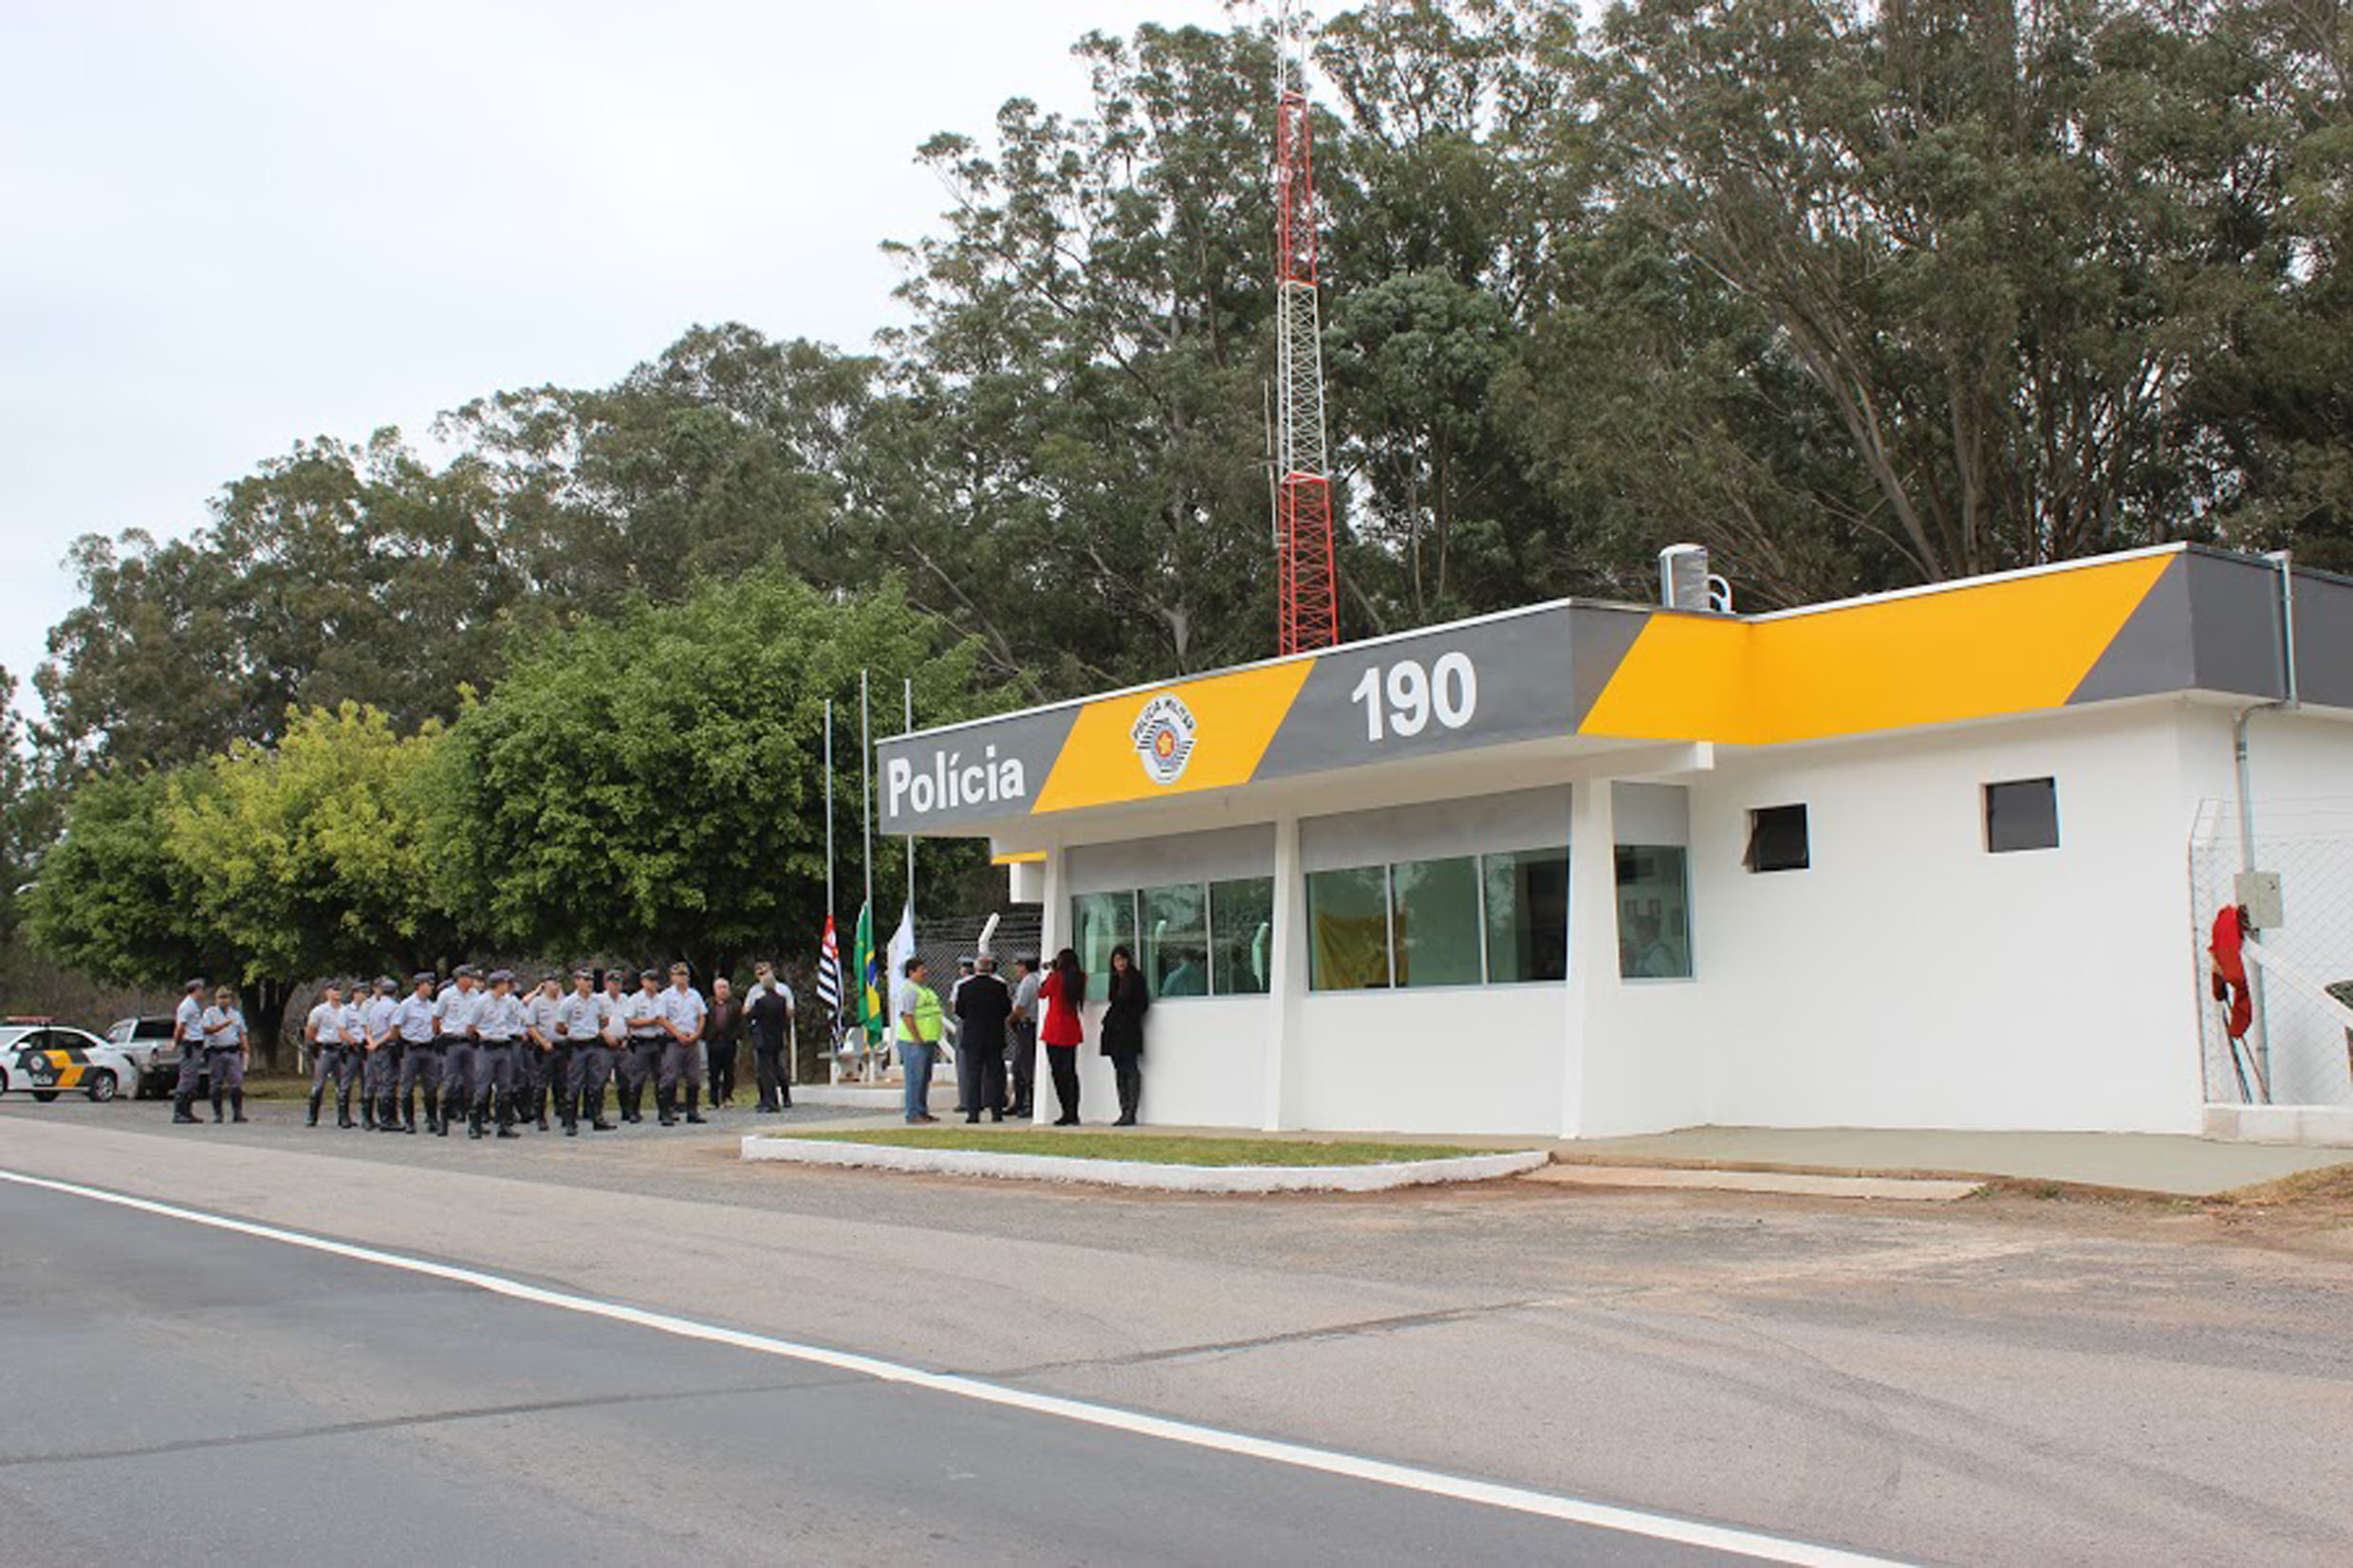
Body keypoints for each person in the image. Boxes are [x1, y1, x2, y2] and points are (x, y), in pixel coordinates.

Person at [953, 954, 1013, 1123]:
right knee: (995, 1074)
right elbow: (1006, 1009)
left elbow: (959, 1010)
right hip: (994, 1036)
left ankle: (973, 1113)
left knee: (973, 1075)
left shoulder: (965, 987)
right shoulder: (999, 987)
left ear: (976, 968)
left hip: (973, 1036)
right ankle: (996, 1112)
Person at [470, 969, 528, 1139]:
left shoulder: (508, 1001)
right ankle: (475, 1124)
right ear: (498, 984)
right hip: (487, 1045)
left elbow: (518, 1018)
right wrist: (478, 1038)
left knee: (505, 1087)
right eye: (506, 983)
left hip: (504, 1045)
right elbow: (471, 1025)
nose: (508, 987)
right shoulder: (482, 1002)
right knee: (482, 1087)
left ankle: (503, 1124)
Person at [1102, 944, 1151, 1126]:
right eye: (1116, 960)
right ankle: (1123, 1109)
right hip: (1114, 1030)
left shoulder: (1135, 978)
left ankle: (1131, 1112)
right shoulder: (1115, 979)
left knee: (1130, 1068)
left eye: (1122, 959)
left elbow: (1141, 1004)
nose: (1120, 963)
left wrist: (1129, 1018)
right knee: (1119, 1069)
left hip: (1128, 1030)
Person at [553, 968, 606, 1134]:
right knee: (575, 1083)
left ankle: (597, 1118)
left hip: (593, 1043)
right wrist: (573, 1033)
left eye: (590, 980)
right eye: (585, 980)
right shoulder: (569, 1002)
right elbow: (559, 1026)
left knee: (596, 1083)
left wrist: (594, 1030)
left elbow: (604, 1020)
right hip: (577, 1046)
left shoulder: (597, 1001)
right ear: (577, 981)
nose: (589, 983)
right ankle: (570, 1122)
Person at [656, 962, 708, 1126]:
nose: (681, 978)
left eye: (684, 975)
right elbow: (662, 1018)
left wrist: (697, 1033)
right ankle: (666, 1112)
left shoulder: (694, 995)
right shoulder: (666, 996)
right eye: (678, 974)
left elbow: (701, 1015)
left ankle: (692, 1111)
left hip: (691, 1039)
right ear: (672, 977)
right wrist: (677, 1034)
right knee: (670, 1077)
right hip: (674, 1040)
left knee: (693, 1078)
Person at [435, 966, 484, 1138]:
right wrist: (439, 1036)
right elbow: (436, 1017)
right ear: (460, 978)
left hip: (469, 1041)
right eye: (469, 977)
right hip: (452, 1041)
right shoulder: (446, 995)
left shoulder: (475, 996)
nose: (472, 981)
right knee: (449, 1082)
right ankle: (443, 1122)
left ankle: (474, 1123)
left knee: (472, 1082)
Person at [1039, 948, 1085, 1126]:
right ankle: (1073, 1111)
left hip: (1054, 1029)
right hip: (1071, 1029)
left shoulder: (1056, 978)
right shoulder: (1080, 978)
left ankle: (1066, 1111)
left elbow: (1042, 993)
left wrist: (1052, 971)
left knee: (1058, 1073)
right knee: (1070, 1072)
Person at [895, 955, 944, 1124]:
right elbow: (907, 1016)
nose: (925, 972)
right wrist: (916, 1037)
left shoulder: (925, 991)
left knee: (924, 1079)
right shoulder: (909, 990)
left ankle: (922, 1111)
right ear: (911, 972)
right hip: (913, 1042)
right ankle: (913, 1113)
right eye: (921, 970)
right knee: (915, 1079)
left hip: (928, 1040)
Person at [743, 961, 795, 1113]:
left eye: (764, 972)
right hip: (774, 1035)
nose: (761, 974)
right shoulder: (758, 992)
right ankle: (764, 1098)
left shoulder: (771, 996)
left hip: (766, 1037)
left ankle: (775, 1100)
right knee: (763, 1070)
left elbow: (749, 1013)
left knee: (774, 1069)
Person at [394, 972, 441, 1134]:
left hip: (428, 1048)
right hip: (411, 1048)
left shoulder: (432, 1005)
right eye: (429, 984)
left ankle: (432, 1120)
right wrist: (401, 1042)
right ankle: (409, 1121)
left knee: (431, 1086)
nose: (431, 988)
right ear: (420, 985)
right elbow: (396, 1026)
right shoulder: (407, 1005)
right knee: (407, 1086)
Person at [620, 968, 666, 1123]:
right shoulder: (635, 1000)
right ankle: (634, 1111)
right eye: (649, 981)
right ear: (643, 982)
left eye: (655, 981)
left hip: (657, 1041)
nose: (652, 984)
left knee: (660, 1077)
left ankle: (664, 1112)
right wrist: (651, 1022)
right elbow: (629, 1021)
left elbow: (665, 1020)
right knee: (638, 1078)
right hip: (642, 1042)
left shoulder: (661, 999)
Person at [198, 986, 250, 1124]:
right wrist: (222, 1025)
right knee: (216, 1084)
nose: (224, 1000)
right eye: (221, 997)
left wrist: (246, 1049)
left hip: (233, 1050)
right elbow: (206, 1029)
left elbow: (241, 1032)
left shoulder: (235, 1014)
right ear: (216, 999)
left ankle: (237, 1113)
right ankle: (218, 1114)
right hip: (216, 1051)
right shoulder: (210, 1013)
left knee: (236, 1084)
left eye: (226, 997)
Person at [303, 981, 350, 1129]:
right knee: (319, 1084)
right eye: (333, 990)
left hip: (341, 1048)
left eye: (339, 990)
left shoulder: (346, 1010)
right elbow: (310, 1030)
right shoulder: (319, 1011)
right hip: (325, 1048)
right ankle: (312, 1116)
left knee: (342, 1084)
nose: (337, 993)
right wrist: (313, 1046)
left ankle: (344, 1117)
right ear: (327, 992)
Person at [523, 974, 564, 1132]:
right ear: (544, 985)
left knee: (563, 1083)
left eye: (558, 983)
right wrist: (542, 1041)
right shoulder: (537, 1003)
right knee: (541, 1084)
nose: (556, 986)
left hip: (562, 1045)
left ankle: (564, 1114)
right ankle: (540, 1117)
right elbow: (531, 1026)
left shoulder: (563, 1002)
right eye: (553, 983)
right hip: (545, 1047)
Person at [362, 977, 400, 1133]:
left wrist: (372, 1043)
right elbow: (393, 1030)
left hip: (374, 1048)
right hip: (387, 1047)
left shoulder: (374, 1007)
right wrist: (379, 1043)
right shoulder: (395, 1007)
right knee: (388, 1082)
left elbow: (367, 1029)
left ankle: (371, 1118)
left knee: (373, 1081)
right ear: (396, 992)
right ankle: (387, 1119)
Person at [170, 978, 209, 1125]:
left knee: (193, 1079)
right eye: (201, 989)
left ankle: (188, 1111)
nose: (202, 992)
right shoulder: (186, 1006)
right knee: (187, 1078)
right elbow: (181, 1027)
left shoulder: (194, 1005)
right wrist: (177, 1041)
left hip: (197, 1044)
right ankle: (180, 1112)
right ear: (196, 990)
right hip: (189, 1045)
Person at [1006, 955, 1041, 1120]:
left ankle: (1029, 1104)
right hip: (1030, 1025)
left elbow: (1020, 1007)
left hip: (1027, 1025)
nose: (1016, 969)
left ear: (1024, 966)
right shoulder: (1038, 978)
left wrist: (1010, 1020)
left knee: (1026, 1067)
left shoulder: (1028, 982)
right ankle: (1020, 1102)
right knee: (1019, 1067)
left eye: (1018, 965)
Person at [704, 976, 743, 1109]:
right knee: (713, 1072)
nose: (723, 990)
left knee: (729, 1071)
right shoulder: (708, 1004)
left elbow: (741, 1023)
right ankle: (713, 1100)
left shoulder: (736, 1004)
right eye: (720, 987)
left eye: (725, 987)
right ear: (715, 990)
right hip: (713, 1042)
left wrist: (737, 1036)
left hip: (729, 1041)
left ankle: (727, 1097)